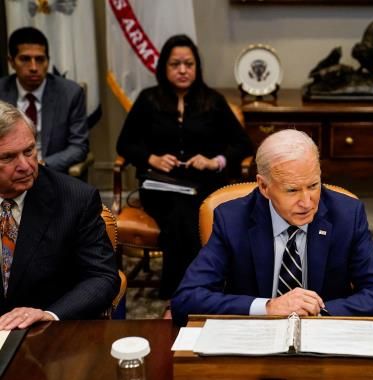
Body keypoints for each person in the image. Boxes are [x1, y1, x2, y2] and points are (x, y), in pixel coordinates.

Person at [171, 129, 373, 325]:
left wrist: (316, 312)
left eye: (313, 185)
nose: (307, 202)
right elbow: (186, 300)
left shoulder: (346, 215)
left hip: (324, 340)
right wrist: (269, 308)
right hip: (255, 341)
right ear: (264, 186)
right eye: (292, 190)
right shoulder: (232, 219)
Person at [116, 34, 253, 299]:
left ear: (197, 68)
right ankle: (193, 291)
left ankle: (182, 292)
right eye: (175, 64)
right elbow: (125, 145)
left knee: (188, 212)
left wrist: (215, 161)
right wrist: (151, 158)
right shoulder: (148, 100)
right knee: (181, 213)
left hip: (204, 184)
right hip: (160, 186)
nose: (182, 70)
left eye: (188, 64)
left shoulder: (212, 101)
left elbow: (243, 145)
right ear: (163, 68)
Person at [0, 100, 119, 330]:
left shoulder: (75, 199)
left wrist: (49, 315)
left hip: (48, 336)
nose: (25, 165)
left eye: (29, 151)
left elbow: (102, 277)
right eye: (8, 157)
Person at [0, 27, 88, 174]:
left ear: (48, 61)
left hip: (51, 172)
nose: (34, 67)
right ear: (11, 62)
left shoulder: (70, 93)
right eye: (25, 59)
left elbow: (78, 147)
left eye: (40, 59)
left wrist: (42, 165)